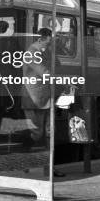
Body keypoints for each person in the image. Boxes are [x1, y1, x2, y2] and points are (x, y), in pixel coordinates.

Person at [22, 27, 65, 177]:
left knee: (50, 133)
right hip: (34, 99)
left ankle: (50, 167)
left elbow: (58, 65)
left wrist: (52, 51)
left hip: (47, 98)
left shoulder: (46, 51)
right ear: (40, 39)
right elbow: (45, 73)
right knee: (36, 133)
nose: (50, 44)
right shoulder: (31, 53)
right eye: (49, 42)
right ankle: (26, 163)